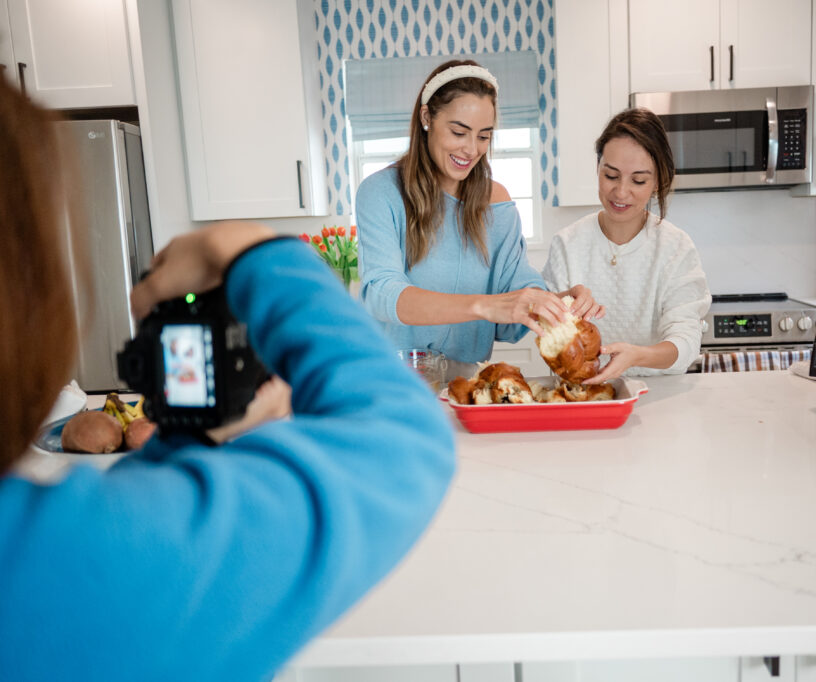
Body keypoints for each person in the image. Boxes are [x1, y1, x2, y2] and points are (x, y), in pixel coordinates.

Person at [0, 79, 455, 681]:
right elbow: (405, 440)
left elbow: (141, 530)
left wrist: (190, 439)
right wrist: (251, 247)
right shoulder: (61, 566)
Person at [356, 59, 601, 379]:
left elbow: (512, 308)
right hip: (392, 379)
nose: (471, 149)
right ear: (426, 116)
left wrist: (554, 303)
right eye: (459, 132)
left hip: (465, 384)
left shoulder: (497, 204)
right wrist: (483, 305)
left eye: (484, 136)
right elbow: (382, 293)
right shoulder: (380, 193)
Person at [543, 108, 711, 382]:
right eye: (611, 176)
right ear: (598, 168)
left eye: (638, 180)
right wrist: (561, 302)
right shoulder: (568, 243)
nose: (621, 192)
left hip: (659, 396)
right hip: (581, 395)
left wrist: (638, 355)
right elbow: (546, 327)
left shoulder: (676, 247)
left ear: (657, 181)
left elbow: (686, 342)